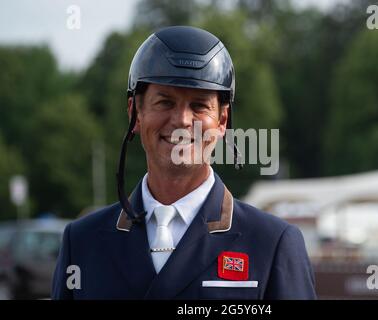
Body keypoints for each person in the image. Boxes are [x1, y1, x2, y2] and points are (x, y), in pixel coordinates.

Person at [51, 26, 316, 300]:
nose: (182, 120)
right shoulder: (83, 242)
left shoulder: (271, 244)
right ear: (135, 113)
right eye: (165, 102)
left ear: (222, 121)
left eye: (199, 106)